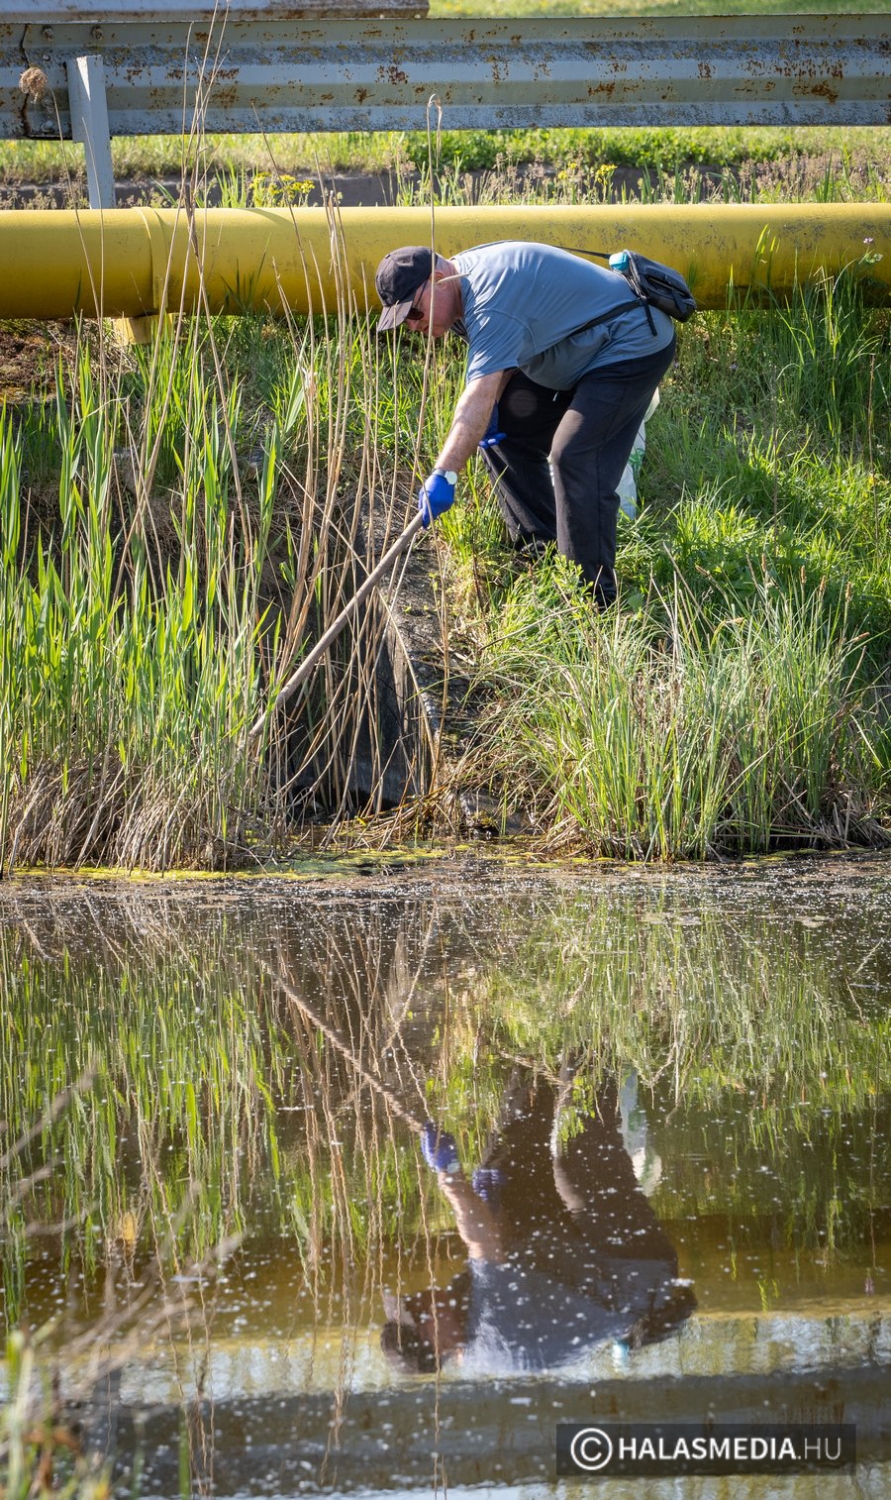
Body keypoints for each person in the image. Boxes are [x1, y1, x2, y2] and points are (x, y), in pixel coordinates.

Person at [375, 241, 677, 609]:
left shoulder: (488, 296)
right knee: (501, 430)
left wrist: (445, 474)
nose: (412, 325)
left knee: (575, 457)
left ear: (438, 279)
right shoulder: (456, 296)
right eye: (404, 319)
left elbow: (477, 396)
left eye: (414, 312)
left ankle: (593, 603)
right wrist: (489, 415)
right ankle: (543, 555)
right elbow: (503, 362)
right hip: (577, 352)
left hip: (629, 344)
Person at [380, 1069, 695, 1375]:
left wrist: (490, 1196)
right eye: (416, 1310)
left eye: (411, 1300)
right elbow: (483, 1241)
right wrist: (449, 1173)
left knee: (502, 1172)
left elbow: (500, 1240)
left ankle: (535, 1062)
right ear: (434, 1344)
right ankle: (591, 1055)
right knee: (576, 1160)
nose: (420, 1296)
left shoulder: (461, 1318)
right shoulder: (491, 1338)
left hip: (572, 1263)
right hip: (632, 1273)